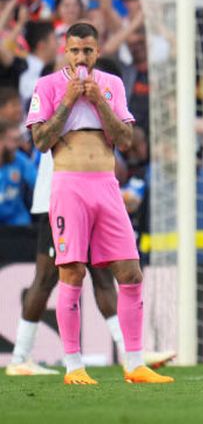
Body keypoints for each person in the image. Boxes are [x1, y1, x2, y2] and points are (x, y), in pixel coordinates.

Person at [24, 22, 171, 384]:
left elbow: (125, 138)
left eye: (87, 51)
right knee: (70, 272)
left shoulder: (113, 85)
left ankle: (135, 363)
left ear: (97, 50)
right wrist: (70, 100)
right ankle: (74, 367)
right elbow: (41, 141)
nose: (81, 58)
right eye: (74, 51)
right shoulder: (48, 86)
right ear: (65, 50)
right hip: (68, 186)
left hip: (106, 185)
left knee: (130, 272)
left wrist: (98, 100)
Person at [5, 139, 175, 375]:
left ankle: (130, 353)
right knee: (47, 278)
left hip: (89, 198)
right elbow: (42, 139)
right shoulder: (61, 107)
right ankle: (20, 358)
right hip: (58, 199)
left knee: (103, 274)